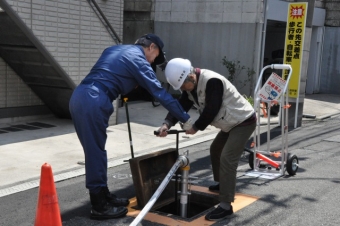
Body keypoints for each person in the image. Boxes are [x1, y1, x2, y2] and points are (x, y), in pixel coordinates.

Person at [69, 35, 193, 220]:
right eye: (154, 56)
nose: (152, 62)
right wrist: (185, 118)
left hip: (84, 96)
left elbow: (115, 75)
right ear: (150, 47)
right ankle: (99, 206)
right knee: (95, 152)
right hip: (94, 99)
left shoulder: (114, 49)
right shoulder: (138, 59)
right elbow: (158, 92)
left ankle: (104, 195)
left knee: (98, 151)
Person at [157, 58, 256, 221]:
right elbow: (180, 107)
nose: (183, 89)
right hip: (229, 124)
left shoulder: (212, 81)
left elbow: (212, 109)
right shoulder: (190, 87)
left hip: (243, 121)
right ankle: (221, 184)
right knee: (215, 149)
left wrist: (195, 127)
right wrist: (166, 124)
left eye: (183, 85)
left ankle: (225, 205)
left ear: (190, 76)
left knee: (227, 159)